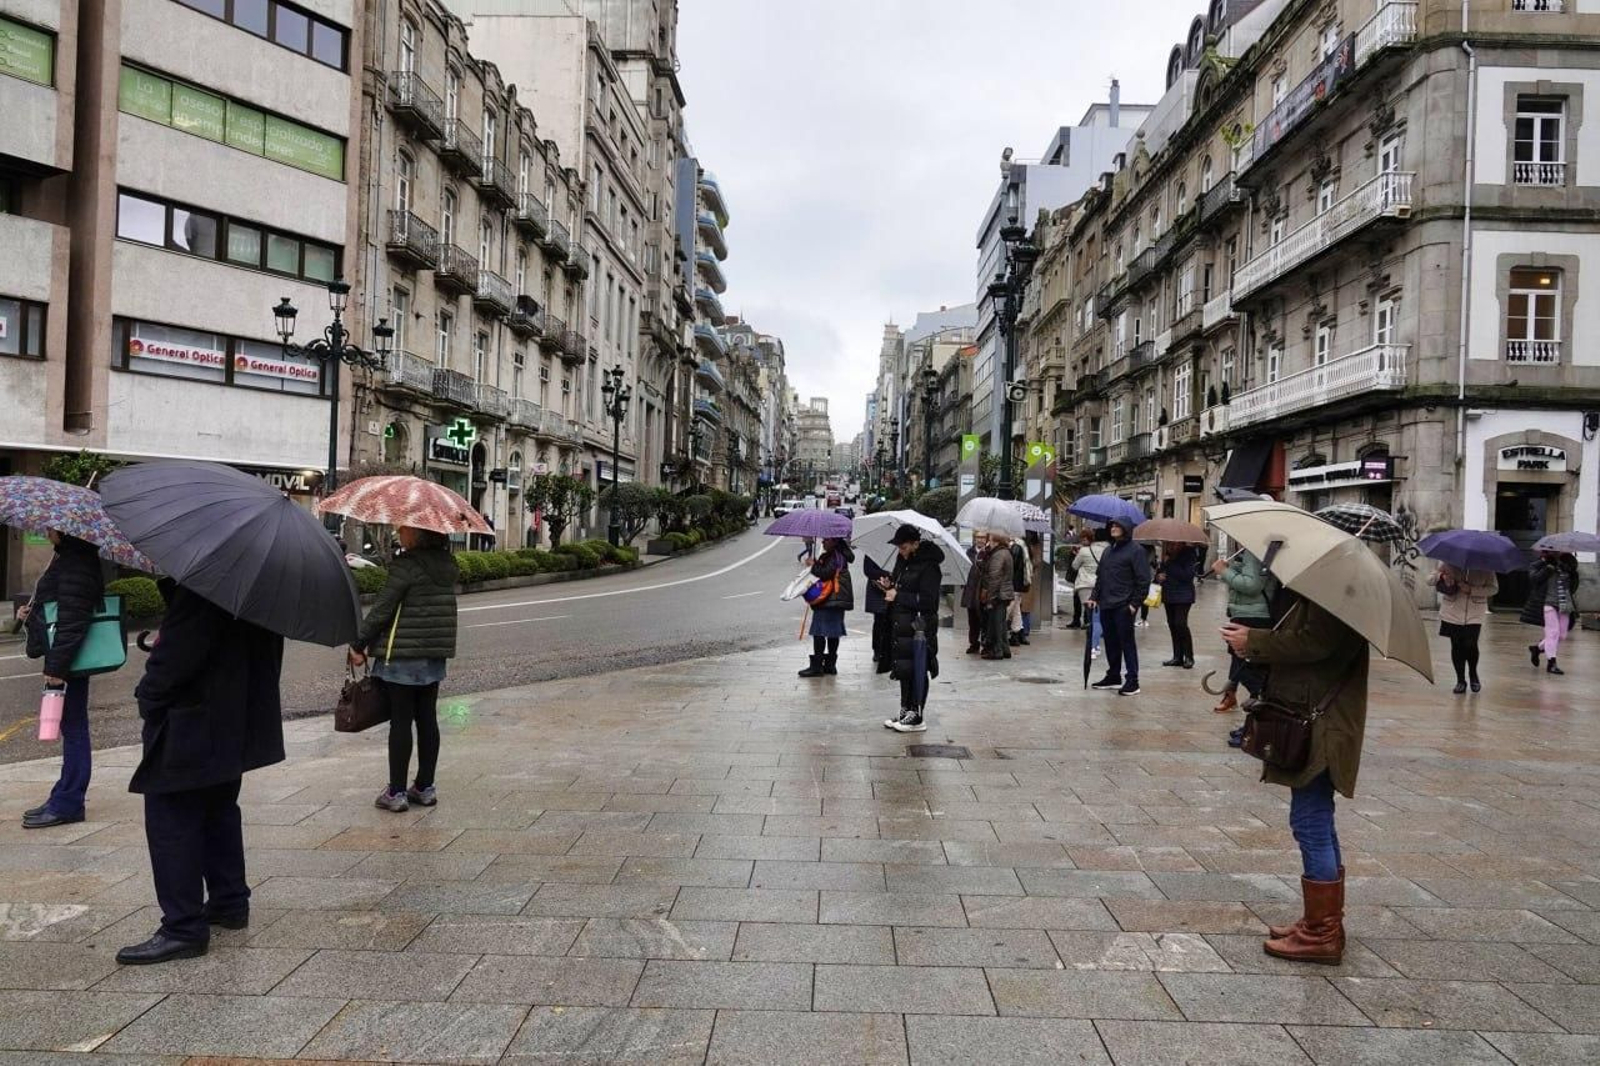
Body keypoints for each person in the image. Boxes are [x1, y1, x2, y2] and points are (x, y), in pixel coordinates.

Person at [116, 580, 285, 965]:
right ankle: (229, 901)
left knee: (171, 815)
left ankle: (182, 927)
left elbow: (181, 651)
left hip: (193, 717)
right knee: (218, 809)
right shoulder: (255, 581)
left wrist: (149, 693)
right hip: (232, 714)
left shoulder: (204, 583)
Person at [1222, 593, 1368, 965]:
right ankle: (1323, 921)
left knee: (1310, 822)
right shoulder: (1335, 590)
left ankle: (1322, 933)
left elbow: (1315, 643)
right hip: (1322, 720)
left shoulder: (1336, 594)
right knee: (1318, 820)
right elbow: (1309, 638)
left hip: (1322, 725)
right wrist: (1257, 637)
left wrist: (1253, 642)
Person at [348, 526, 460, 812]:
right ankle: (425, 787)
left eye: (405, 528)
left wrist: (359, 643)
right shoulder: (448, 565)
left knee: (400, 722)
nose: (400, 531)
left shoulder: (406, 565)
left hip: (401, 657)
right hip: (432, 656)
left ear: (419, 534)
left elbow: (383, 608)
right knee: (427, 720)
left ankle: (396, 792)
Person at [21, 531, 107, 829]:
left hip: (69, 663)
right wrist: (30, 614)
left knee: (75, 729)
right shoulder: (68, 560)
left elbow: (72, 622)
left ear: (66, 532)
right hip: (65, 659)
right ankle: (63, 795)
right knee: (71, 727)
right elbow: (58, 609)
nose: (47, 532)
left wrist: (57, 669)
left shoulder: (77, 565)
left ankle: (69, 802)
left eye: (52, 527)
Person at [881, 524, 945, 733]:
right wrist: (890, 584)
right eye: (899, 547)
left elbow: (928, 601)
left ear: (916, 544)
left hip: (919, 627)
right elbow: (902, 587)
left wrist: (898, 596)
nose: (901, 550)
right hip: (902, 624)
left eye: (904, 546)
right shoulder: (904, 562)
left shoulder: (929, 567)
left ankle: (917, 715)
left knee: (918, 667)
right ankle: (905, 709)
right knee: (904, 668)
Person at [1089, 518, 1151, 695]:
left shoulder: (1136, 551)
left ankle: (1133, 680)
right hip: (1106, 603)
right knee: (1110, 642)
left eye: (1118, 526)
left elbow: (1143, 580)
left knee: (1127, 643)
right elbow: (1101, 577)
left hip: (1124, 605)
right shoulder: (1108, 550)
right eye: (1112, 526)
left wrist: (1134, 604)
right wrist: (1094, 597)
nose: (1114, 529)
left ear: (1126, 529)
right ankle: (1113, 675)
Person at [1211, 548, 1272, 714]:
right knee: (1239, 661)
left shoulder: (1254, 551)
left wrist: (1224, 571)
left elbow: (1252, 585)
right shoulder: (1249, 550)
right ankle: (1234, 698)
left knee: (1248, 668)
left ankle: (1262, 706)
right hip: (1246, 612)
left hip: (1253, 614)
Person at [1429, 562, 1496, 694]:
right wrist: (1442, 576)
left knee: (1470, 644)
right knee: (1457, 645)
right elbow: (1429, 579)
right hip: (1451, 611)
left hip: (1474, 613)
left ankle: (1473, 674)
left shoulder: (1486, 567)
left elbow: (1493, 589)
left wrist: (1471, 590)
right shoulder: (1447, 562)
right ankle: (1460, 680)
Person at [799, 537, 854, 677]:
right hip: (836, 599)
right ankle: (830, 665)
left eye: (826, 540)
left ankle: (817, 667)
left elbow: (825, 573)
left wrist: (813, 565)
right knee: (833, 632)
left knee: (819, 631)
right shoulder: (837, 554)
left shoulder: (836, 555)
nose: (823, 542)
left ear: (834, 541)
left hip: (830, 599)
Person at [1523, 550, 1580, 675]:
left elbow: (1574, 585)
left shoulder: (1567, 562)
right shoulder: (1539, 565)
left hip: (1565, 605)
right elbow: (1534, 579)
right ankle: (1551, 663)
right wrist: (1548, 567)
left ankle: (1537, 649)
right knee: (1552, 632)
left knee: (1562, 635)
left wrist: (1570, 567)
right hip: (1548, 603)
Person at [1157, 541, 1199, 669]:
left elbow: (1187, 575)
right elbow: (1160, 572)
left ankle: (1189, 656)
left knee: (1180, 623)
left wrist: (1170, 563)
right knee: (1172, 624)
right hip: (1169, 593)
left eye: (1175, 543)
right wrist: (1159, 576)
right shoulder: (1168, 554)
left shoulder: (1189, 554)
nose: (1172, 545)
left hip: (1183, 594)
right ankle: (1177, 656)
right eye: (1170, 543)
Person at [980, 532, 1015, 660]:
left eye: (990, 539)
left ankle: (997, 650)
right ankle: (1005, 648)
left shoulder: (999, 554)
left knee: (995, 623)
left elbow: (994, 577)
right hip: (1004, 593)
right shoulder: (1005, 552)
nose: (989, 542)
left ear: (996, 541)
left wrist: (990, 598)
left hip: (998, 594)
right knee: (1001, 622)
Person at [1073, 530, 1107, 660]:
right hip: (1101, 585)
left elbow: (1074, 566)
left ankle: (1093, 646)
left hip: (1086, 586)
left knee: (1092, 618)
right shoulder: (1107, 550)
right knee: (1098, 617)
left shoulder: (1084, 551)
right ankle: (1096, 645)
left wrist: (1077, 555)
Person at [863, 553, 893, 675]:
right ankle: (878, 650)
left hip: (892, 588)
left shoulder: (895, 551)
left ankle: (889, 649)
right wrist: (884, 574)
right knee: (879, 621)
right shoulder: (871, 551)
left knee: (892, 620)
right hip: (876, 588)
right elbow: (868, 570)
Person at [961, 539, 992, 655]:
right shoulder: (969, 552)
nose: (980, 540)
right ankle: (974, 643)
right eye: (978, 537)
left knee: (984, 619)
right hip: (971, 589)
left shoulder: (988, 554)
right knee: (972, 620)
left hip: (983, 590)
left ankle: (985, 644)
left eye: (983, 537)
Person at [1006, 536, 1032, 647]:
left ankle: (999, 634)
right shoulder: (1023, 545)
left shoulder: (1015, 547)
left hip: (1013, 585)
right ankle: (1017, 634)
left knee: (1006, 611)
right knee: (1016, 611)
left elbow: (1012, 567)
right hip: (1019, 585)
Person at [1019, 531, 1045, 642]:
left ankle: (1024, 629)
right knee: (1023, 606)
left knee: (1024, 606)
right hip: (1027, 577)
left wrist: (1027, 562)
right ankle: (1023, 629)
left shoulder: (1030, 545)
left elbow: (1037, 561)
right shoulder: (1030, 545)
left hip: (1028, 577)